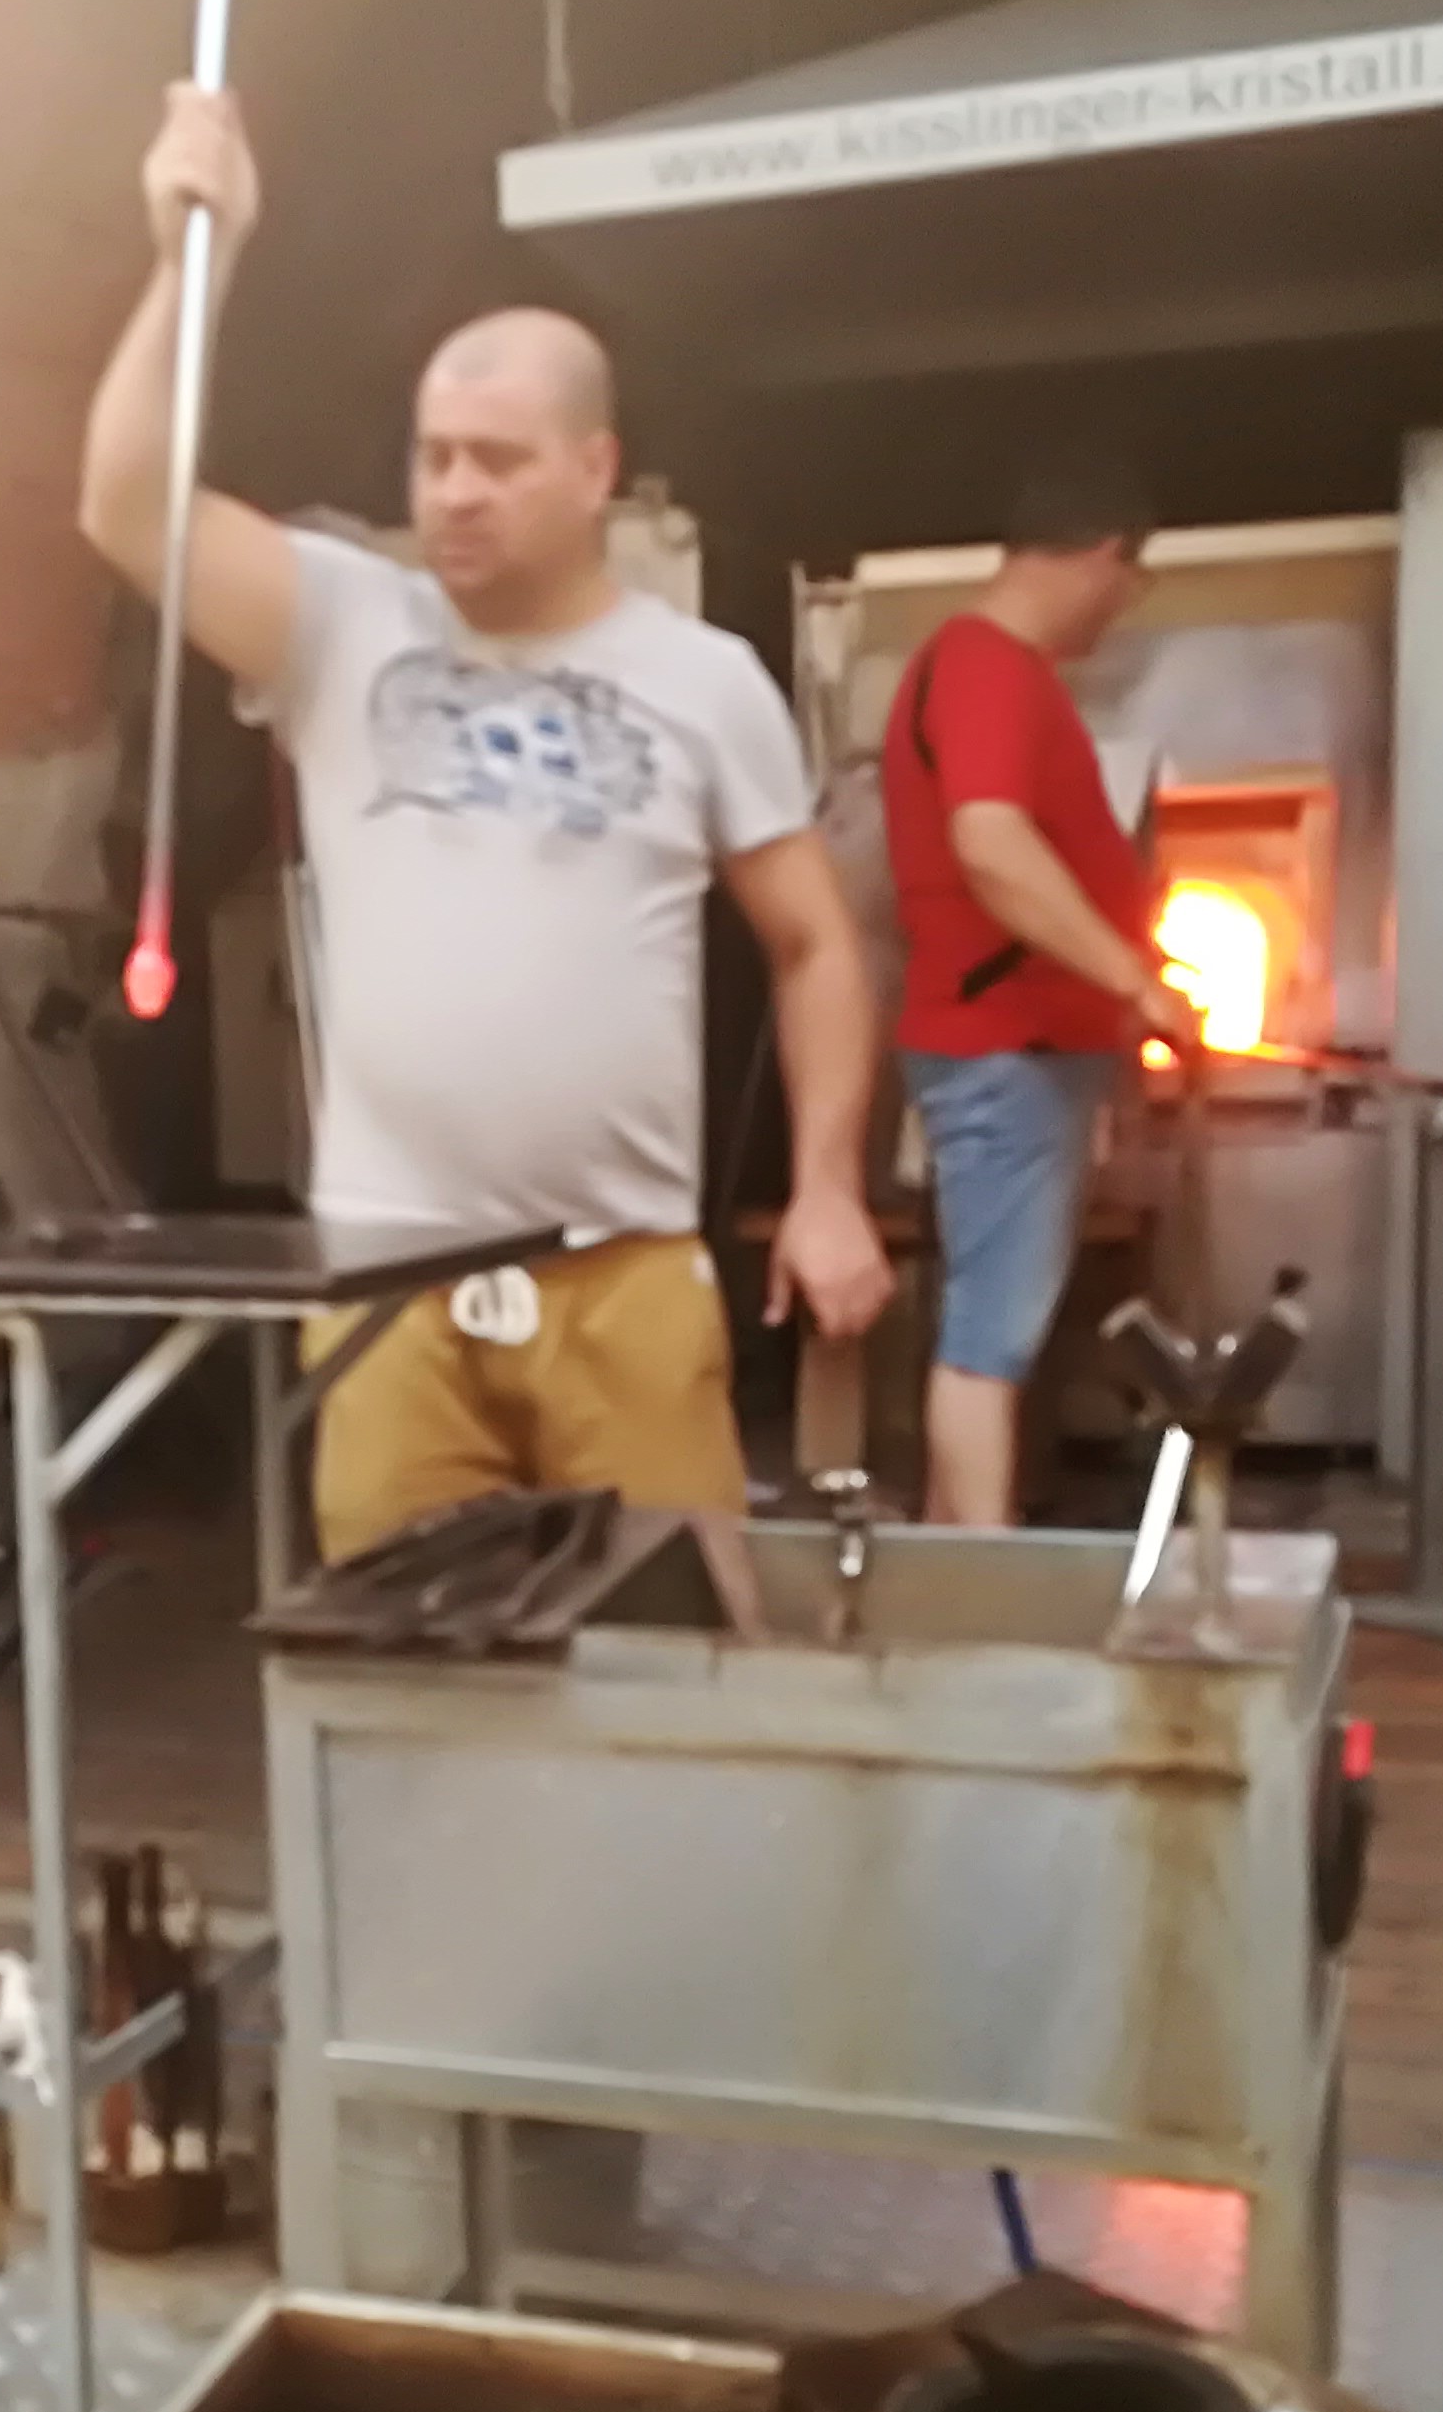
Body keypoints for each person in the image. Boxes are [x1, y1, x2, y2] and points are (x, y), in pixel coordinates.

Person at [79, 85, 894, 1560]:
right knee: (386, 1668)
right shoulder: (338, 626)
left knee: (667, 1653)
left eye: (499, 460)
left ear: (595, 469)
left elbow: (814, 946)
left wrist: (828, 1190)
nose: (455, 492)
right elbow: (125, 506)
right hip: (388, 1292)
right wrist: (192, 259)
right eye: (433, 454)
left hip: (625, 1281)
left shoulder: (705, 682)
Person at [880, 460, 1204, 1528]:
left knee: (995, 1328)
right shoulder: (982, 666)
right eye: (1132, 580)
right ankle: (984, 1585)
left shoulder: (996, 671)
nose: (1124, 605)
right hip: (1000, 1051)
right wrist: (1132, 982)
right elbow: (990, 846)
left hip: (1025, 1052)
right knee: (990, 1341)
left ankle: (955, 1565)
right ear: (1106, 555)